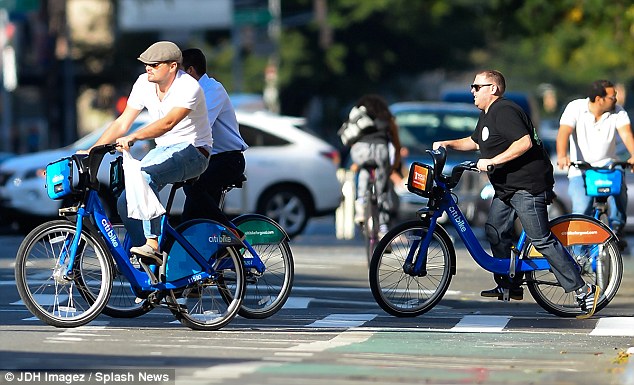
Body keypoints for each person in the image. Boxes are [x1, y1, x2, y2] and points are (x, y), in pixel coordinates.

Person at [432, 70, 600, 317]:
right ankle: (508, 284)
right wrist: (448, 144)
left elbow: (524, 143)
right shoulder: (488, 115)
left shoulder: (505, 111)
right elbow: (477, 141)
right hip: (507, 188)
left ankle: (583, 289)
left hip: (527, 186)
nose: (472, 91)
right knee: (495, 230)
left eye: (477, 87)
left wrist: (492, 161)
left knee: (540, 239)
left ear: (493, 89)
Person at [86, 41, 212, 265]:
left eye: (154, 64)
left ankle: (152, 244)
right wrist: (92, 150)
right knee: (125, 200)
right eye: (146, 64)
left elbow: (168, 123)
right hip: (163, 150)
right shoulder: (144, 83)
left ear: (173, 66)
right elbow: (123, 121)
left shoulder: (189, 87)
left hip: (194, 151)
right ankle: (147, 260)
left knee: (143, 177)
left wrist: (134, 137)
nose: (148, 68)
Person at [555, 80, 634, 250]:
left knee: (619, 184)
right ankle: (578, 257)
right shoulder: (575, 108)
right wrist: (562, 155)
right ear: (600, 99)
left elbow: (627, 135)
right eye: (612, 97)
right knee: (581, 211)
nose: (616, 100)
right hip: (580, 169)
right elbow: (564, 132)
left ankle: (617, 227)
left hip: (607, 166)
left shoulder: (618, 112)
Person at [179, 48, 248, 228]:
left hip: (228, 159)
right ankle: (208, 251)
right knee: (190, 221)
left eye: (178, 72)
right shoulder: (187, 94)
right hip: (208, 160)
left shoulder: (212, 90)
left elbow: (199, 127)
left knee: (193, 187)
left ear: (190, 71)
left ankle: (231, 232)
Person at [346, 94, 402, 239]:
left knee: (365, 170)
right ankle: (383, 228)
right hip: (380, 151)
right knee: (382, 190)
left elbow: (351, 136)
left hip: (361, 151)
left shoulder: (359, 113)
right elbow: (396, 143)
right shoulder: (387, 117)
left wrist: (356, 163)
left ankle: (361, 204)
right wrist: (393, 165)